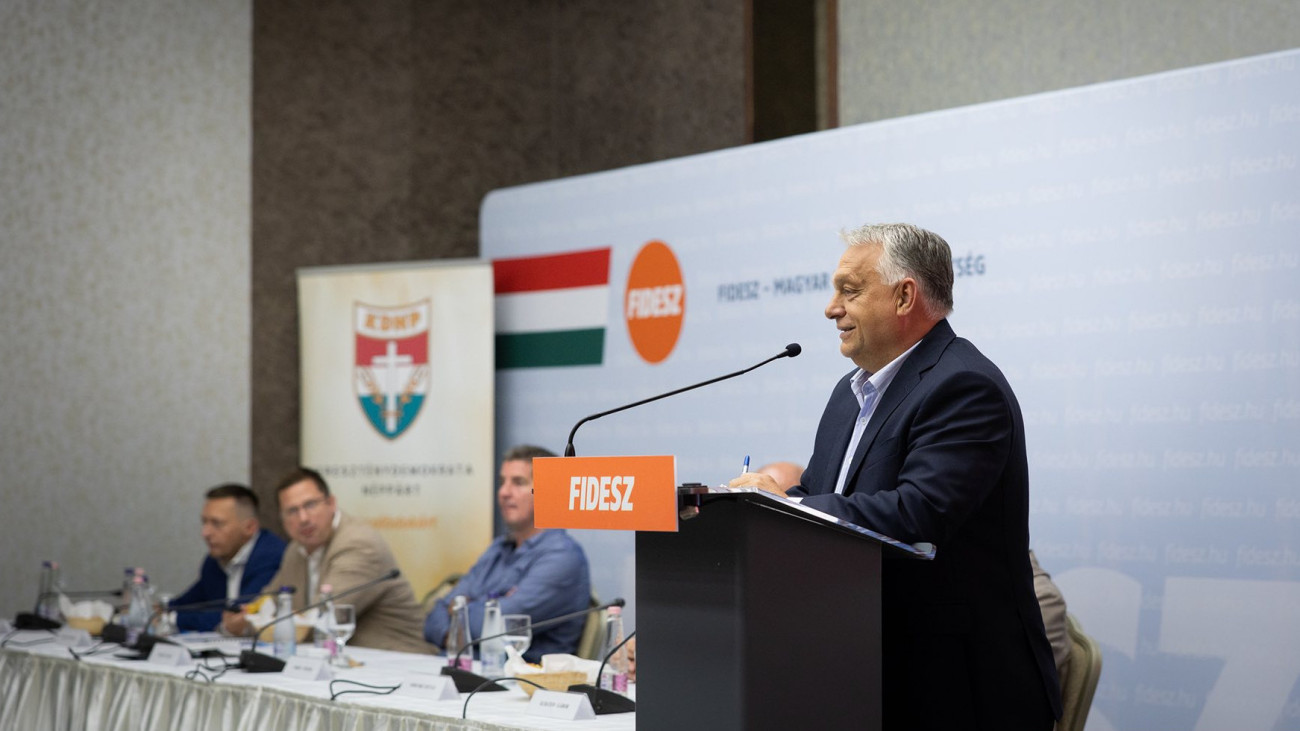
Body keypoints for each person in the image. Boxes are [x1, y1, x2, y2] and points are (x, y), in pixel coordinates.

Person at [730, 223, 1061, 730]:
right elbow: (819, 494)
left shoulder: (964, 386)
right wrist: (762, 505)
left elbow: (916, 515)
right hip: (863, 673)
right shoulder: (849, 394)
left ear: (904, 296)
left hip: (955, 692)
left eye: (850, 290)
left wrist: (783, 506)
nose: (830, 308)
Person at [221, 467, 430, 654]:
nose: (303, 518)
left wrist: (254, 624)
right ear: (282, 519)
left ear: (331, 503)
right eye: (292, 511)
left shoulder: (358, 544)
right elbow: (271, 600)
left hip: (401, 662)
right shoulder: (296, 549)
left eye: (310, 505)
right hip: (339, 661)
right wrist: (243, 618)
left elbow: (323, 622)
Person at [424, 445, 591, 662]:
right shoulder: (498, 548)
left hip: (520, 679)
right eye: (502, 482)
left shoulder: (562, 557)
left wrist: (460, 610)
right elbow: (432, 619)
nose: (504, 492)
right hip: (461, 670)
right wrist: (480, 611)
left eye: (518, 482)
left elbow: (493, 627)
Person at [170, 483, 286, 632]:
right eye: (204, 522)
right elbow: (187, 604)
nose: (205, 533)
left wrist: (171, 618)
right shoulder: (214, 561)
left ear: (249, 527)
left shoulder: (271, 556)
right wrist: (162, 610)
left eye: (216, 524)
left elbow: (239, 616)